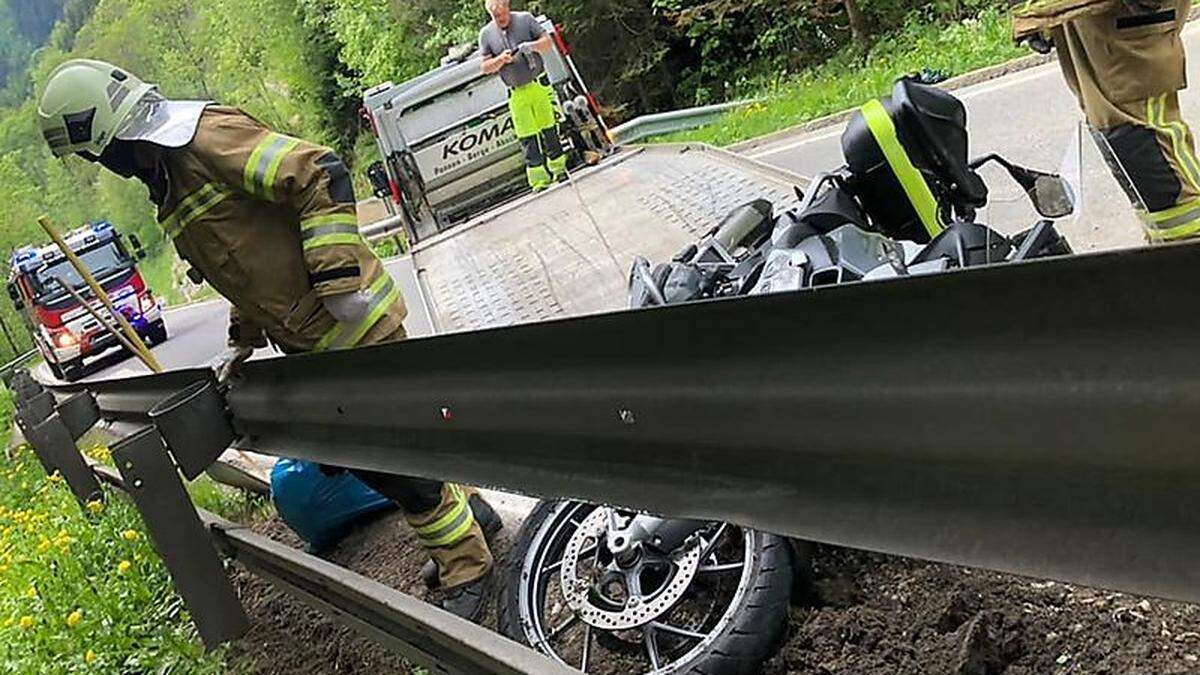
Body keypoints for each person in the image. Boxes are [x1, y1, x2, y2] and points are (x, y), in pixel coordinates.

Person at [36, 58, 498, 622]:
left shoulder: (205, 139)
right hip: (316, 338)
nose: (102, 166)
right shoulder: (170, 179)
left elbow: (319, 172)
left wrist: (333, 274)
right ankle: (476, 520)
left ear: (109, 133)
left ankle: (467, 565)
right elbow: (250, 266)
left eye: (95, 154)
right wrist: (243, 338)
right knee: (396, 452)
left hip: (350, 325)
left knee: (398, 461)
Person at [1013, 0, 1200, 242]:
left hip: (1125, 27)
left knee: (1143, 144)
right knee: (1121, 145)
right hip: (1091, 26)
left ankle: (1187, 247)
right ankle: (1171, 253)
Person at [479, 0, 568, 191]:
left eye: (502, 14)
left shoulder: (525, 20)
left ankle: (559, 169)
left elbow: (547, 43)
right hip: (516, 92)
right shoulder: (486, 34)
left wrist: (532, 46)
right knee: (527, 136)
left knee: (549, 127)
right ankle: (538, 179)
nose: (500, 19)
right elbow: (485, 67)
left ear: (508, 7)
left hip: (538, 85)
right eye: (496, 17)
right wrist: (500, 60)